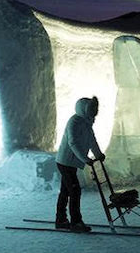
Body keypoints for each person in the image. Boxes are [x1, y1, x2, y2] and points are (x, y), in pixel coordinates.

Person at [55, 96, 105, 232]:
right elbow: (72, 143)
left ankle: (61, 220)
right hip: (65, 162)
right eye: (91, 109)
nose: (94, 111)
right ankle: (75, 222)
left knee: (66, 191)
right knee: (74, 191)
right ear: (84, 109)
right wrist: (85, 159)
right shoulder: (74, 122)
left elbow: (91, 141)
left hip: (72, 162)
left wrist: (98, 154)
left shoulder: (87, 122)